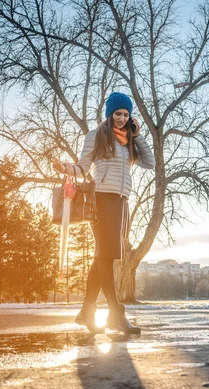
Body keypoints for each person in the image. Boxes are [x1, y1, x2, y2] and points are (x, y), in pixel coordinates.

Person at [51, 92, 155, 334]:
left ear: (130, 117)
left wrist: (138, 136)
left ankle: (87, 313)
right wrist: (64, 167)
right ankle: (116, 314)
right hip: (102, 201)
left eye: (125, 114)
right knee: (106, 256)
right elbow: (82, 168)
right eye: (117, 113)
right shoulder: (96, 136)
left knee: (102, 258)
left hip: (121, 202)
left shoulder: (129, 141)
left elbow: (149, 163)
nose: (121, 118)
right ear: (110, 114)